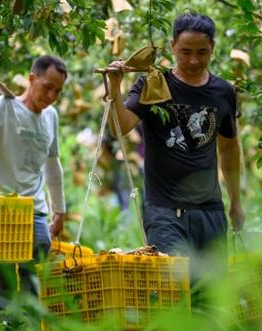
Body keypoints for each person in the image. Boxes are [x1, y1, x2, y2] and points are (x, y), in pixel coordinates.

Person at [105, 13, 245, 264]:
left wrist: (235, 202)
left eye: (202, 52)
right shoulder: (154, 84)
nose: (193, 60)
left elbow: (228, 149)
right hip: (164, 211)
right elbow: (120, 127)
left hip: (210, 210)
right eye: (185, 51)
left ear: (212, 47)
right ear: (172, 47)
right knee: (172, 289)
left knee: (211, 296)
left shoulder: (224, 92)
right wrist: (114, 87)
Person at [0, 55, 67, 311]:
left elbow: (53, 164)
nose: (51, 95)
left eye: (57, 91)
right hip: (1, 207)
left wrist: (60, 208)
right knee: (2, 277)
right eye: (47, 87)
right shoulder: (4, 106)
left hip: (35, 208)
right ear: (31, 79)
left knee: (37, 261)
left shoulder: (50, 116)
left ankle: (30, 327)